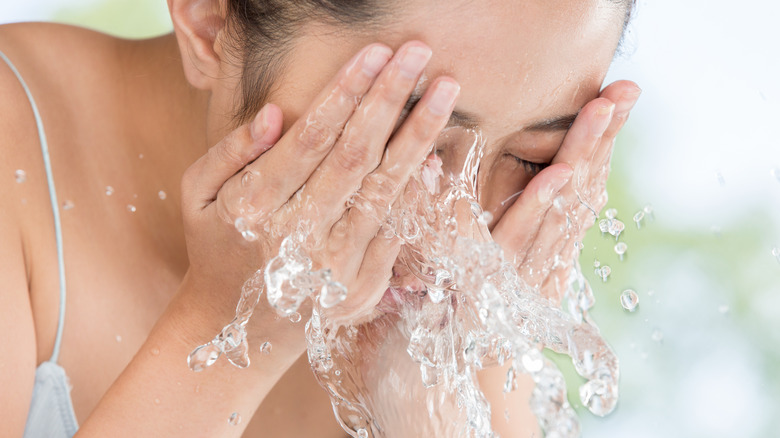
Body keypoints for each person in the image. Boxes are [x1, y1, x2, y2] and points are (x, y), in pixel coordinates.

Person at [0, 0, 640, 436]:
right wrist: (232, 329)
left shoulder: (468, 291)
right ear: (210, 18)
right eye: (399, 137)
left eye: (533, 159)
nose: (458, 235)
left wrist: (435, 389)